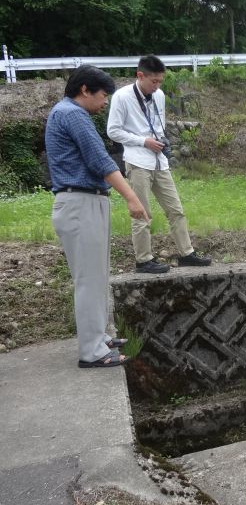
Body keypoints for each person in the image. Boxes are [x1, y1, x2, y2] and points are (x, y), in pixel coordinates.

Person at [45, 65, 149, 368]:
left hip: (85, 201)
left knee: (97, 275)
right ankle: (91, 351)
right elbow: (99, 159)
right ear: (85, 90)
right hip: (79, 202)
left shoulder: (66, 113)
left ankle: (99, 336)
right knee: (89, 280)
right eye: (103, 95)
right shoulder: (72, 114)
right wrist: (131, 196)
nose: (105, 102)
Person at [107, 55, 210, 273]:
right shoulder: (122, 97)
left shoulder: (159, 95)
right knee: (142, 213)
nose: (157, 86)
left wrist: (160, 141)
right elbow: (113, 131)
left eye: (160, 81)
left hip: (159, 160)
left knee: (176, 210)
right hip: (136, 160)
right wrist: (143, 141)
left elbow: (159, 125)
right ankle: (143, 260)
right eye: (154, 81)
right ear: (140, 75)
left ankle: (187, 254)